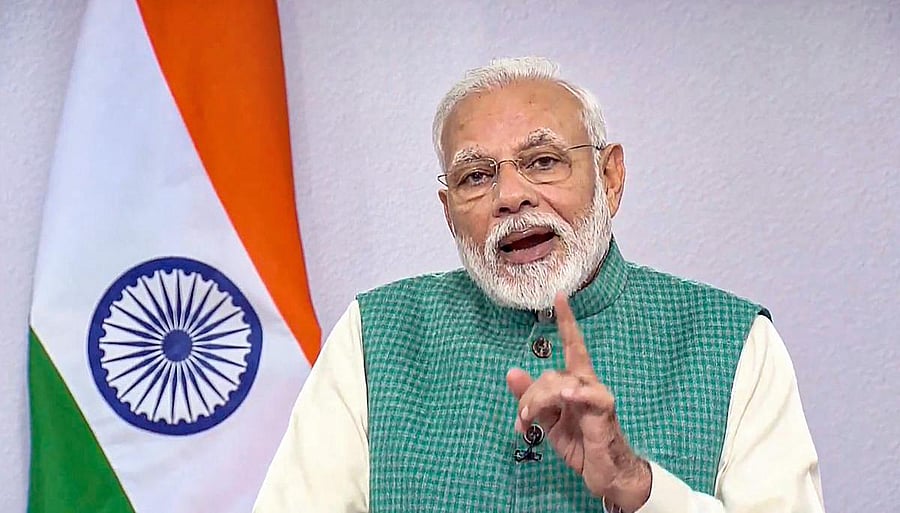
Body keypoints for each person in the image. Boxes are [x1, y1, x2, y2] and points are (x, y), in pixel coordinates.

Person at [253, 57, 825, 513]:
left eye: (544, 161)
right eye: (476, 176)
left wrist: (635, 485)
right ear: (448, 211)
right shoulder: (376, 334)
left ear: (610, 177)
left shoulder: (730, 339)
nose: (510, 196)